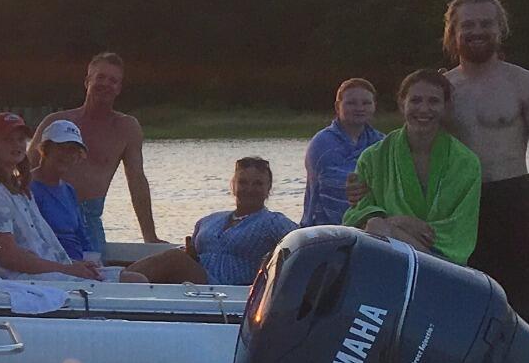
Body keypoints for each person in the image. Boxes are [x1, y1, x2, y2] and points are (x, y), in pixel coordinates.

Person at [443, 0, 529, 344]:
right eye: (468, 25)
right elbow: (411, 150)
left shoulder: (525, 83)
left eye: (486, 23)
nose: (477, 31)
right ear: (453, 32)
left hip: (514, 203)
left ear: (501, 29)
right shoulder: (442, 89)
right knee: (468, 312)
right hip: (461, 209)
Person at [30, 120, 207, 283]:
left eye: (74, 151)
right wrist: (69, 267)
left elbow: (82, 236)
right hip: (57, 268)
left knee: (156, 272)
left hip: (80, 267)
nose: (68, 156)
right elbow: (33, 238)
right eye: (62, 148)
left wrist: (91, 262)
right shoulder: (27, 188)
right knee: (137, 281)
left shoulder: (67, 190)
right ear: (45, 149)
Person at [344, 70, 481, 263]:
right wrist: (399, 223)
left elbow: (460, 230)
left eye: (433, 101)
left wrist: (393, 225)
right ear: (402, 103)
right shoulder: (373, 158)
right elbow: (357, 215)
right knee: (375, 225)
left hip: (444, 264)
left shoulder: (466, 163)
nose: (424, 109)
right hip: (387, 258)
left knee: (378, 226)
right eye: (415, 101)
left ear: (446, 106)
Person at [52, 52, 160, 259]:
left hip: (89, 219)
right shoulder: (57, 123)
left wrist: (150, 236)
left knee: (94, 275)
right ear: (87, 81)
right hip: (49, 213)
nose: (106, 84)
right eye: (100, 77)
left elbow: (136, 179)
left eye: (113, 80)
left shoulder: (126, 128)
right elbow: (26, 174)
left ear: (119, 88)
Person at [0, 111, 89, 277]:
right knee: (130, 279)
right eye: (8, 140)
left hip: (50, 275)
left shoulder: (19, 188)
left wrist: (75, 266)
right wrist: (67, 270)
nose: (16, 145)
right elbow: (9, 257)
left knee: (128, 277)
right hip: (24, 282)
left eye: (20, 139)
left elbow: (37, 247)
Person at [187, 157, 297, 286]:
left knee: (173, 259)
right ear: (233, 185)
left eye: (258, 184)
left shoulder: (273, 222)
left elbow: (304, 245)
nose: (249, 189)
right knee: (175, 258)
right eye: (243, 183)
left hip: (233, 289)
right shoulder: (207, 221)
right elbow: (191, 254)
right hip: (193, 287)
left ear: (269, 188)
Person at [300, 79, 382, 227]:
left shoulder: (381, 142)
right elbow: (335, 187)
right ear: (338, 107)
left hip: (372, 226)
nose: (359, 108)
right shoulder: (322, 142)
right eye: (351, 103)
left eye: (366, 103)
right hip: (324, 228)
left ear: (374, 106)